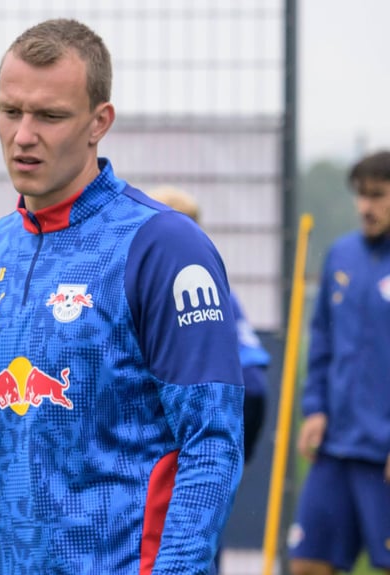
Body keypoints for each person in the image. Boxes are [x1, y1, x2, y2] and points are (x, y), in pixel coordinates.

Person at [0, 18, 244, 574]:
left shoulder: (164, 246)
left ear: (98, 122)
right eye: (10, 111)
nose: (23, 135)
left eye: (50, 116)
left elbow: (211, 442)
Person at [148, 186, 272, 574]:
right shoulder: (219, 290)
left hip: (162, 468)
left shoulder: (177, 293)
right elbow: (254, 386)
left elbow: (252, 384)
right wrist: (231, 455)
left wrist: (226, 451)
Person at [288, 150, 390, 575]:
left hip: (381, 452)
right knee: (307, 563)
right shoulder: (341, 255)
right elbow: (324, 340)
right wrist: (315, 409)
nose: (365, 207)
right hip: (336, 448)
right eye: (360, 196)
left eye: (378, 196)